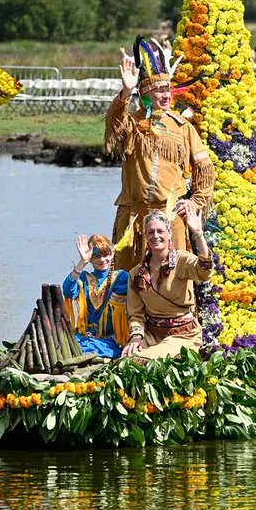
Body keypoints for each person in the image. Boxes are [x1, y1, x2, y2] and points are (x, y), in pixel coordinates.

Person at [106, 41, 215, 271]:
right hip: (133, 216)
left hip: (170, 214)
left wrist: (194, 202)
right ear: (145, 93)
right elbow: (113, 126)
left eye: (168, 90)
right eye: (159, 90)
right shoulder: (133, 122)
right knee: (125, 281)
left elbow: (205, 169)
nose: (166, 95)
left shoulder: (183, 127)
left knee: (173, 275)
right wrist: (126, 91)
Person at [120, 207, 213, 361]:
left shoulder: (182, 260)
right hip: (151, 335)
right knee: (125, 361)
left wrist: (198, 234)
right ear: (146, 236)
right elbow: (135, 314)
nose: (155, 236)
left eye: (160, 231)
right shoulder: (136, 273)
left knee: (144, 362)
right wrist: (136, 337)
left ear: (169, 233)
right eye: (150, 232)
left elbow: (204, 272)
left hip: (183, 335)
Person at [62, 234, 130, 359]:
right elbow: (67, 291)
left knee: (85, 349)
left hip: (112, 339)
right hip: (86, 335)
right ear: (91, 259)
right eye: (96, 256)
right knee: (65, 344)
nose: (102, 260)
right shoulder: (84, 278)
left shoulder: (122, 277)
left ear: (112, 254)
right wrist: (82, 262)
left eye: (106, 255)